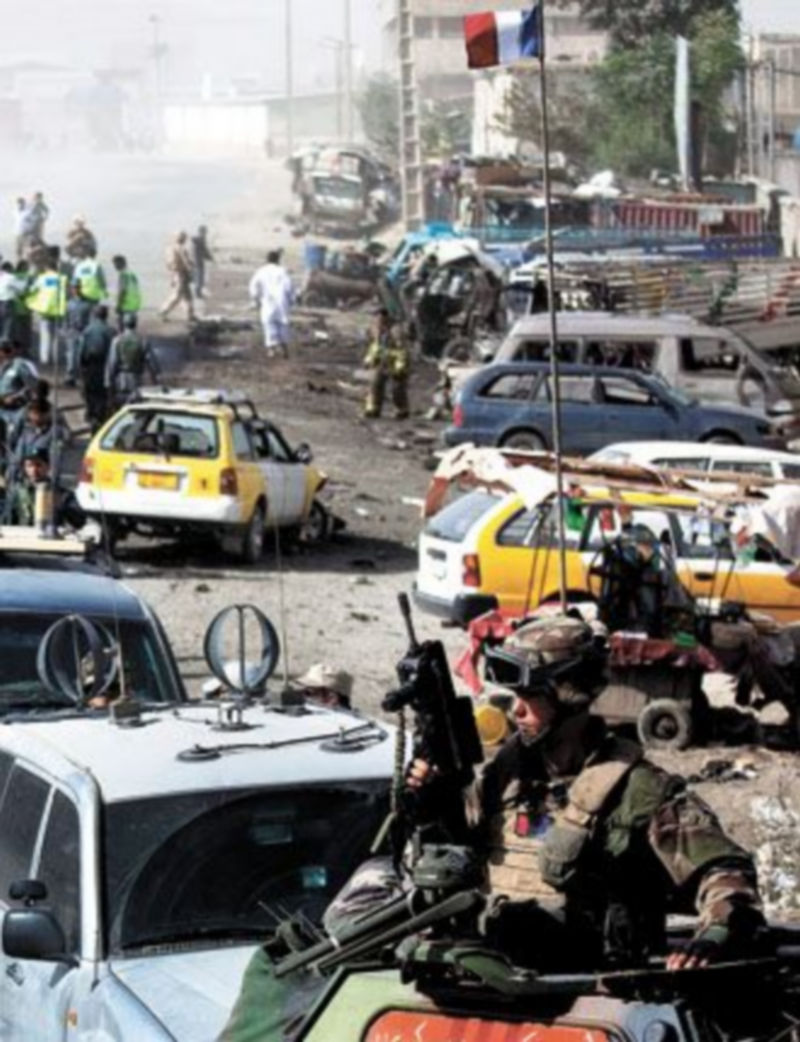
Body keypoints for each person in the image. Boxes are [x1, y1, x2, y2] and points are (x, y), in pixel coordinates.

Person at [7, 445, 85, 530]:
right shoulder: (17, 493)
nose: (34, 470)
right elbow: (7, 521)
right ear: (24, 468)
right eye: (29, 465)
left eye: (38, 465)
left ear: (48, 467)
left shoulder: (62, 494)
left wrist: (61, 506)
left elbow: (79, 522)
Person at [105, 314, 160, 411]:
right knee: (136, 411)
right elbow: (152, 364)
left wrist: (108, 384)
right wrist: (155, 380)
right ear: (135, 324)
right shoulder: (142, 341)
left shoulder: (117, 341)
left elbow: (112, 364)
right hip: (136, 381)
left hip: (120, 382)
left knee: (121, 411)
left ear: (124, 324)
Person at [363, 308, 410, 419]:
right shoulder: (375, 329)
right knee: (375, 384)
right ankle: (373, 408)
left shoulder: (396, 330)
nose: (377, 320)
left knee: (397, 388)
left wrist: (400, 366)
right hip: (382, 361)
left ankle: (402, 409)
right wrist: (369, 359)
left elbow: (402, 350)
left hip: (395, 362)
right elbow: (374, 346)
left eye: (380, 317)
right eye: (376, 317)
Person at [25, 246, 67, 365]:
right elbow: (67, 293)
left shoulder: (42, 278)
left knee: (45, 336)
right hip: (58, 310)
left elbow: (32, 289)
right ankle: (55, 358)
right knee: (55, 337)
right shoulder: (61, 279)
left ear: (47, 268)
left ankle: (44, 359)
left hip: (45, 311)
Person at [248, 249, 294, 358]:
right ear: (278, 260)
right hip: (282, 302)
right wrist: (292, 299)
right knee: (283, 324)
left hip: (268, 302)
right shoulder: (282, 271)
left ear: (267, 260)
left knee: (269, 324)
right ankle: (284, 349)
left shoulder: (261, 271)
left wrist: (255, 299)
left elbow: (253, 285)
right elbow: (289, 286)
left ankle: (271, 350)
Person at [77, 305, 114, 429]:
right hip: (105, 365)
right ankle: (100, 415)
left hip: (91, 365)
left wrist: (81, 365)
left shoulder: (87, 330)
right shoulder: (111, 331)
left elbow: (81, 350)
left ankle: (91, 413)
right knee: (102, 392)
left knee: (90, 391)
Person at [159, 231, 195, 322]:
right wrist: (191, 272)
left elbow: (168, 264)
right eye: (184, 238)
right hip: (181, 273)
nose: (185, 240)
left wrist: (171, 276)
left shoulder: (169, 248)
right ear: (182, 239)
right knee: (177, 295)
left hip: (175, 273)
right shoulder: (181, 248)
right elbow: (186, 262)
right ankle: (163, 311)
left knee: (187, 295)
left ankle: (190, 315)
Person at [63, 284, 93, 387]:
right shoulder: (69, 304)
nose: (75, 290)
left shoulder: (86, 304)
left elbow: (90, 319)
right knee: (71, 355)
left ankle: (81, 376)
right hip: (72, 332)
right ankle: (70, 376)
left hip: (83, 332)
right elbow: (65, 318)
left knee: (81, 355)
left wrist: (88, 332)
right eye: (73, 288)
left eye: (77, 288)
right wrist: (65, 330)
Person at [112, 255, 142, 330]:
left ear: (121, 263)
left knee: (122, 328)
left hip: (125, 305)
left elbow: (122, 291)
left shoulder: (123, 275)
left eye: (115, 264)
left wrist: (118, 305)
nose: (114, 267)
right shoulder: (132, 274)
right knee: (131, 327)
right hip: (134, 304)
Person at [191, 224, 214, 298]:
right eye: (205, 232)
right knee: (199, 277)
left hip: (196, 261)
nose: (206, 234)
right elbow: (205, 251)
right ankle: (197, 294)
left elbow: (204, 251)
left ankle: (198, 293)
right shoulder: (201, 239)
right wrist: (210, 258)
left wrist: (209, 257)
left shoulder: (199, 239)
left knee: (198, 277)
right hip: (198, 261)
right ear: (202, 232)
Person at [0, 261, 19, 341]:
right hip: (7, 304)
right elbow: (20, 288)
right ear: (9, 269)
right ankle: (2, 349)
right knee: (7, 327)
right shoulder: (10, 277)